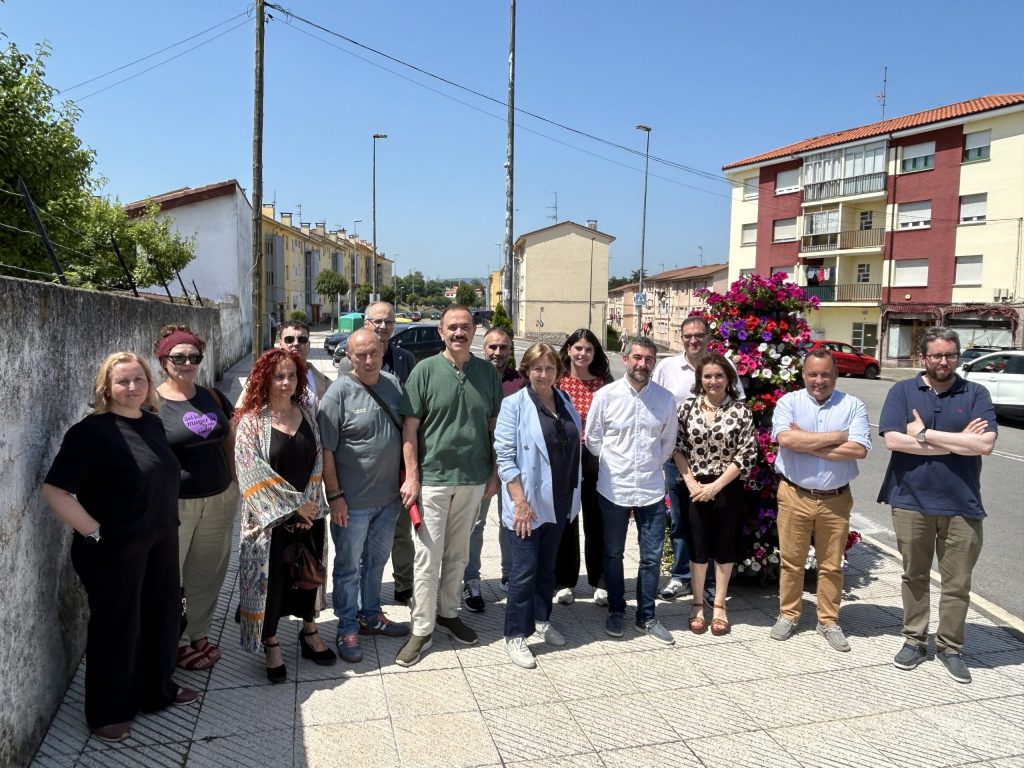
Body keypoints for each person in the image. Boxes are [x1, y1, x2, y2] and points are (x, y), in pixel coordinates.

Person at [42, 352, 197, 743]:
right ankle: (108, 711)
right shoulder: (91, 432)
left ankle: (156, 690)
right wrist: (95, 533)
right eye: (123, 381)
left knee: (162, 616)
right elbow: (55, 490)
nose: (132, 387)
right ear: (106, 388)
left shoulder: (152, 422)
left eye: (138, 379)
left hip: (161, 539)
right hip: (114, 548)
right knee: (117, 626)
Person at [878, 327, 997, 684]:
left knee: (957, 582)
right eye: (937, 355)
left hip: (962, 504)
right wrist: (959, 442)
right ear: (924, 357)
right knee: (914, 575)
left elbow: (985, 445)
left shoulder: (975, 393)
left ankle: (950, 648)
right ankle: (914, 641)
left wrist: (924, 434)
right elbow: (894, 441)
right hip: (910, 501)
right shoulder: (902, 391)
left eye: (950, 355)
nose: (944, 361)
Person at [394, 304, 503, 667]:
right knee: (427, 556)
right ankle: (422, 629)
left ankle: (449, 613)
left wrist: (494, 473)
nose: (459, 332)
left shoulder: (487, 374)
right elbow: (410, 430)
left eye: (465, 326)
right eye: (452, 327)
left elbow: (494, 428)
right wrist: (412, 476)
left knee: (459, 554)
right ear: (441, 331)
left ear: (474, 331)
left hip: (473, 479)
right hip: (433, 481)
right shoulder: (424, 371)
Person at [236, 348, 336, 682]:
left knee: (308, 576)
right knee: (273, 583)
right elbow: (250, 472)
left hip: (309, 514)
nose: (286, 382)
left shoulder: (306, 413)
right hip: (268, 521)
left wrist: (310, 505)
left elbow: (317, 460)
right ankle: (272, 641)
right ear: (265, 379)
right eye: (278, 376)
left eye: (292, 375)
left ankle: (309, 631)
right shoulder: (252, 421)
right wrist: (294, 506)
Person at [318, 329, 410, 664]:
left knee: (376, 562)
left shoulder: (393, 384)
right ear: (349, 357)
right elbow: (326, 451)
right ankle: (346, 626)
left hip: (389, 500)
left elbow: (407, 432)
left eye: (374, 352)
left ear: (383, 351)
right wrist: (335, 496)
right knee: (348, 568)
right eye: (361, 355)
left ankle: (370, 615)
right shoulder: (338, 394)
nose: (369, 360)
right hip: (352, 503)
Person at [769, 349, 870, 651]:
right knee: (791, 562)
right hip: (794, 495)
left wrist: (807, 442)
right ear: (803, 375)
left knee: (832, 564)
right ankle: (789, 614)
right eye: (813, 374)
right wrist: (839, 436)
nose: (819, 380)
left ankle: (828, 621)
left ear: (835, 375)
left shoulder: (853, 405)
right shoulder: (789, 402)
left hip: (835, 500)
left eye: (826, 374)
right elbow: (786, 439)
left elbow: (859, 450)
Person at [153, 324, 239, 672]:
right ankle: (174, 640)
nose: (187, 363)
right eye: (178, 357)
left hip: (220, 498)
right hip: (175, 505)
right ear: (163, 360)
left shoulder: (211, 396)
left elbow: (229, 439)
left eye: (194, 356)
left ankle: (197, 632)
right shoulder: (151, 403)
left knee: (207, 574)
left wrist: (236, 483)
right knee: (169, 578)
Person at [495, 344, 582, 668]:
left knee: (548, 568)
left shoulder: (565, 400)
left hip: (560, 499)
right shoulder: (514, 405)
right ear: (526, 371)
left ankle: (542, 619)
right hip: (527, 503)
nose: (544, 374)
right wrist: (519, 502)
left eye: (549, 368)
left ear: (558, 371)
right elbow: (504, 457)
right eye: (537, 368)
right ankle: (515, 634)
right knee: (523, 572)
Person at [586, 337, 678, 644]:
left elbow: (668, 443)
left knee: (651, 557)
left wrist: (649, 466)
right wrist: (617, 463)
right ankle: (616, 608)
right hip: (614, 488)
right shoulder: (605, 396)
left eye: (648, 359)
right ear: (625, 359)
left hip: (651, 490)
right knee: (612, 554)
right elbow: (593, 440)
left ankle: (647, 616)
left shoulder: (664, 399)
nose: (642, 364)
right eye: (637, 357)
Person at [653, 316, 746, 601]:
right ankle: (682, 576)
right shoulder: (667, 367)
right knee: (680, 520)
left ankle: (708, 584)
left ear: (708, 337)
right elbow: (652, 402)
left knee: (715, 525)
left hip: (719, 463)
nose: (693, 340)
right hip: (678, 457)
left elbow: (739, 404)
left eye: (699, 335)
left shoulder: (723, 364)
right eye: (688, 336)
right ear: (681, 338)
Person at [338, 302, 417, 605]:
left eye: (389, 322)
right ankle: (360, 601)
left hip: (398, 461)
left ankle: (403, 584)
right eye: (377, 321)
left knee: (401, 530)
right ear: (366, 322)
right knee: (361, 543)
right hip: (363, 471)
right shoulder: (348, 363)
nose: (383, 326)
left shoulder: (406, 359)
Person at [673, 353, 756, 637]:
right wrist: (691, 483)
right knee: (697, 548)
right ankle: (697, 604)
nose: (713, 381)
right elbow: (677, 447)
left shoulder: (741, 411)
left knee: (724, 547)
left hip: (727, 488)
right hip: (694, 487)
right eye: (707, 376)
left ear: (728, 378)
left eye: (719, 376)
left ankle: (719, 605)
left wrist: (715, 486)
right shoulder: (687, 408)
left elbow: (747, 454)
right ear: (700, 379)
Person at [463, 327, 524, 612]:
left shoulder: (519, 382)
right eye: (492, 347)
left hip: (511, 464)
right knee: (475, 524)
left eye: (503, 347)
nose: (498, 352)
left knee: (511, 522)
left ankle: (509, 576)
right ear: (483, 348)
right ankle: (470, 580)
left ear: (510, 350)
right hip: (478, 463)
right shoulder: (471, 376)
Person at [555, 328, 614, 606]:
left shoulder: (604, 384)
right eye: (578, 348)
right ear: (568, 349)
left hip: (595, 456)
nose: (583, 354)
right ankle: (564, 581)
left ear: (595, 353)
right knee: (567, 517)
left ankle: (599, 580)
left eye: (589, 349)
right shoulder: (557, 381)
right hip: (564, 456)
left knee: (596, 517)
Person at [278, 318, 332, 411]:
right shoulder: (264, 378)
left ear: (309, 345)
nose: (296, 343)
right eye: (289, 339)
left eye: (302, 339)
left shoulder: (327, 384)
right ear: (280, 344)